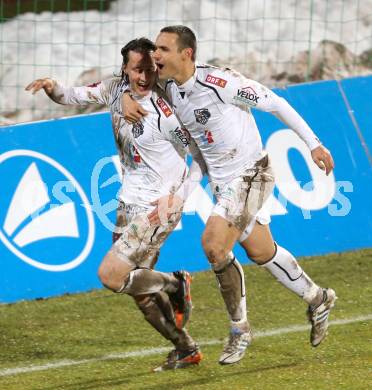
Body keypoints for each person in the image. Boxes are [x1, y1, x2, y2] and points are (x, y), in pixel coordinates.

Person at [122, 26, 337, 365]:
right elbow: (132, 80)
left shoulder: (222, 84)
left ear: (186, 54)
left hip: (253, 173)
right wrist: (124, 95)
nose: (156, 56)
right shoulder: (171, 89)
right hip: (221, 181)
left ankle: (240, 329)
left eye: (163, 49)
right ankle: (318, 297)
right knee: (261, 250)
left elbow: (276, 103)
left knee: (214, 245)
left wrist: (314, 145)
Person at [25, 37, 207, 372]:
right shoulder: (114, 90)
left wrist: (177, 197)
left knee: (115, 276)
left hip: (159, 207)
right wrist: (52, 86)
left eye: (150, 69)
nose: (144, 76)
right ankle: (185, 346)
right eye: (137, 69)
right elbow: (73, 96)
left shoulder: (167, 109)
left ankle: (175, 285)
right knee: (136, 288)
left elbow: (200, 156)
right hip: (128, 201)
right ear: (125, 68)